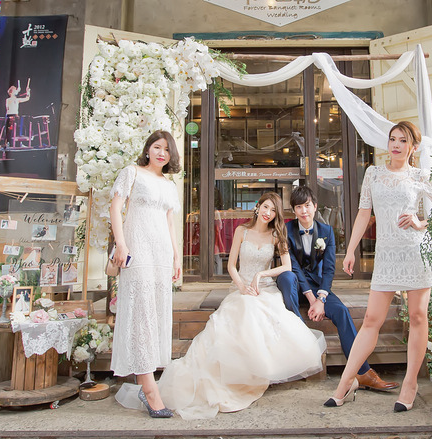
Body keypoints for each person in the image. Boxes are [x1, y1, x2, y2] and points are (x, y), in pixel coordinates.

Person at [158, 192, 326, 420]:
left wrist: (262, 274)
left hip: (265, 289)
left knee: (260, 311)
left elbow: (286, 266)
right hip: (241, 288)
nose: (268, 213)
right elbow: (232, 266)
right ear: (257, 207)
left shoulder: (277, 234)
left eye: (274, 210)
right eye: (266, 207)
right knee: (242, 309)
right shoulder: (241, 231)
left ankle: (258, 368)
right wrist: (241, 284)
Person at [325, 121, 432, 412]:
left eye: (403, 140)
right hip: (387, 255)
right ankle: (346, 382)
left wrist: (420, 221)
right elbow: (364, 213)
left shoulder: (421, 175)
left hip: (415, 252)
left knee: (417, 317)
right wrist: (350, 250)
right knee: (371, 320)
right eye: (392, 139)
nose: (396, 145)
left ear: (413, 147)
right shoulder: (373, 173)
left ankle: (410, 383)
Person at [276, 185, 398, 393]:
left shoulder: (326, 232)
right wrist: (311, 299)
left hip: (318, 288)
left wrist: (321, 299)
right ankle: (298, 338)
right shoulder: (286, 230)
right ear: (293, 210)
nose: (304, 211)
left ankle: (363, 371)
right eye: (298, 207)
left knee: (341, 311)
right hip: (295, 286)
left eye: (307, 206)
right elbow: (294, 267)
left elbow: (330, 267)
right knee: (287, 278)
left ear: (315, 207)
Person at [108, 130, 182, 419]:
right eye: (156, 147)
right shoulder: (132, 173)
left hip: (161, 251)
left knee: (155, 313)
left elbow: (170, 221)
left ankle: (146, 382)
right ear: (148, 149)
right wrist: (121, 243)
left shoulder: (169, 184)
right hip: (136, 248)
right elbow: (115, 206)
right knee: (140, 314)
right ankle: (150, 390)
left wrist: (176, 255)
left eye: (166, 149)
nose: (161, 152)